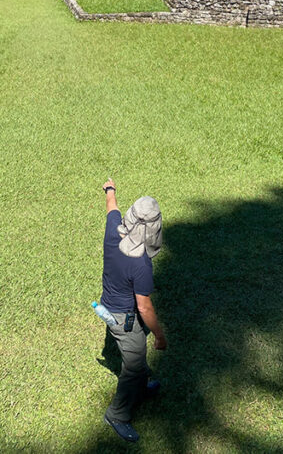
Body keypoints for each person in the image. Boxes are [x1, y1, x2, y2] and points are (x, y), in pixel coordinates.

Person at [100, 179, 167, 443]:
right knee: (134, 366)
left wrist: (110, 189)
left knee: (137, 360)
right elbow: (144, 306)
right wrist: (160, 336)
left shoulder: (112, 231)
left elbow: (110, 208)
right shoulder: (141, 265)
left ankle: (141, 389)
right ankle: (117, 415)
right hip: (123, 318)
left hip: (109, 306)